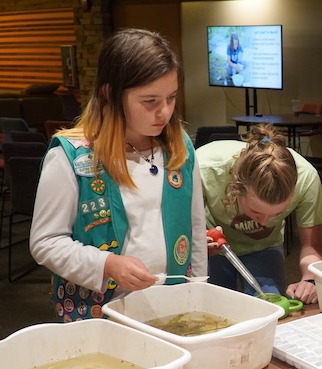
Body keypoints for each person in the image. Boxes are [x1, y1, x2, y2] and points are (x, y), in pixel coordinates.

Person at [30, 28, 207, 322]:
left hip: (173, 306)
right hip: (101, 315)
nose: (164, 112)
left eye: (172, 97)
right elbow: (45, 242)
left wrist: (199, 292)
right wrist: (107, 264)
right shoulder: (71, 156)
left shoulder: (179, 146)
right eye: (149, 101)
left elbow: (195, 229)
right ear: (110, 94)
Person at [198, 124, 322, 304]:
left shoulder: (306, 178)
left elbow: (311, 246)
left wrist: (310, 279)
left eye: (278, 213)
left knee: (269, 305)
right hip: (214, 244)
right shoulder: (203, 168)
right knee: (213, 306)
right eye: (256, 211)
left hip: (264, 246)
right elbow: (180, 230)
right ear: (236, 184)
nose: (265, 222)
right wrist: (197, 242)